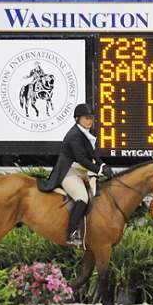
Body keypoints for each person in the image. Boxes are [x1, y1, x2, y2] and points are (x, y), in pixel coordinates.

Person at [38, 103, 114, 245]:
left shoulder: (86, 133)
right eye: (86, 118)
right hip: (69, 172)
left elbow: (92, 154)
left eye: (91, 118)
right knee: (82, 197)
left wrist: (103, 165)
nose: (90, 121)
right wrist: (99, 170)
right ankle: (72, 233)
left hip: (81, 170)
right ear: (77, 119)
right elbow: (81, 159)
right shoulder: (74, 135)